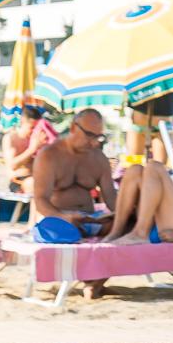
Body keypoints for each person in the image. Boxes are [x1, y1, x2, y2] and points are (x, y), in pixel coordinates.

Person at [33, 109, 118, 297]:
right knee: (59, 230)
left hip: (90, 219)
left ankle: (94, 282)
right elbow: (40, 200)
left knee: (127, 226)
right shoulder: (50, 155)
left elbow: (111, 198)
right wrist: (63, 217)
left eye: (98, 137)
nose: (94, 142)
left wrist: (122, 214)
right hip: (59, 220)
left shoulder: (98, 158)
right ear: (73, 127)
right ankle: (90, 280)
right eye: (89, 135)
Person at [104, 160, 173, 245]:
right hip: (156, 221)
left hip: (167, 228)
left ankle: (140, 233)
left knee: (155, 167)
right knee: (134, 170)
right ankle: (115, 232)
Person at [3, 105, 53, 194]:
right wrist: (32, 149)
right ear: (23, 122)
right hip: (18, 180)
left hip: (38, 178)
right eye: (32, 127)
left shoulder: (38, 137)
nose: (34, 131)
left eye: (36, 128)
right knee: (35, 184)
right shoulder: (11, 138)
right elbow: (12, 165)